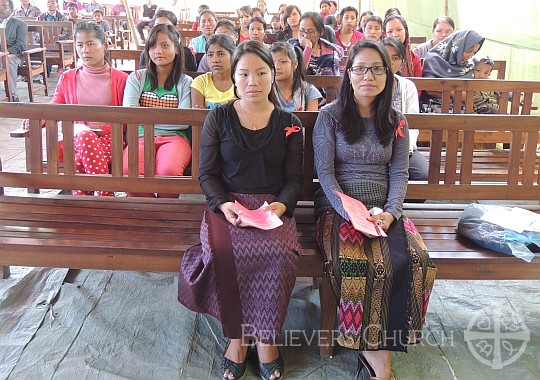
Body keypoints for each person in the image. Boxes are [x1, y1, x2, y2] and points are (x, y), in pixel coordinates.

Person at [178, 40, 303, 380]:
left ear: (272, 76)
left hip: (271, 206)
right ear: (234, 77)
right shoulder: (218, 117)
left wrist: (280, 205)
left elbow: (294, 179)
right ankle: (237, 338)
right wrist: (224, 204)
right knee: (223, 251)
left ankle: (266, 340)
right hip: (229, 204)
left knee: (279, 253)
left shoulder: (290, 123)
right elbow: (207, 174)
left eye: (261, 73)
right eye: (244, 74)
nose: (253, 81)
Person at [313, 39, 436, 380]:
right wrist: (349, 210)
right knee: (360, 263)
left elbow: (399, 172)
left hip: (383, 207)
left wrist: (393, 212)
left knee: (415, 260)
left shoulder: (396, 121)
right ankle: (376, 359)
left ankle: (378, 352)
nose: (369, 75)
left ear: (388, 73)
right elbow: (325, 174)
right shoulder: (330, 117)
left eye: (377, 68)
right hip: (337, 206)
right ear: (348, 73)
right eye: (361, 68)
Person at [51, 22, 128, 195]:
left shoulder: (121, 79)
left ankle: (84, 211)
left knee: (78, 162)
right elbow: (54, 109)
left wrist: (101, 130)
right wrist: (39, 118)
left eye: (91, 44)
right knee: (84, 137)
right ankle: (105, 198)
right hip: (77, 140)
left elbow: (127, 117)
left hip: (110, 139)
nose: (85, 50)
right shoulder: (67, 78)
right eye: (80, 45)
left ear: (105, 45)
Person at [122, 24, 193, 197]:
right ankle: (149, 214)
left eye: (165, 45)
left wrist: (145, 116)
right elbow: (130, 114)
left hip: (175, 139)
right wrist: (171, 118)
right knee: (128, 173)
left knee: (168, 173)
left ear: (176, 49)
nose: (158, 51)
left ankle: (164, 215)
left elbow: (183, 122)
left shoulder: (185, 82)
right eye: (152, 46)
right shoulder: (137, 78)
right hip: (140, 136)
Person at [382, 37, 428, 181]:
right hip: (373, 146)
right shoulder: (368, 83)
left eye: (395, 58)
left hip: (402, 144)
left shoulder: (407, 86)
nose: (390, 62)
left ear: (402, 62)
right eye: (385, 57)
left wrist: (405, 149)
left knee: (423, 176)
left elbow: (413, 124)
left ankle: (400, 202)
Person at [422, 29, 484, 108]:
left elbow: (469, 96)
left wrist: (444, 89)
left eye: (474, 52)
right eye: (469, 51)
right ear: (458, 45)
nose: (470, 56)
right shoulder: (433, 59)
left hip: (463, 110)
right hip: (436, 108)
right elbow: (430, 89)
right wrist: (457, 92)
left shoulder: (468, 65)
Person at [270, 41, 321, 111]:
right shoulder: (266, 91)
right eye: (272, 62)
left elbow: (310, 120)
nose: (277, 67)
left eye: (283, 62)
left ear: (295, 64)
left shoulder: (309, 91)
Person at [290, 11, 343, 75]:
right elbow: (298, 74)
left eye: (311, 31)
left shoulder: (333, 51)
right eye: (302, 31)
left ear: (321, 32)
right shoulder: (292, 47)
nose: (305, 36)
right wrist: (308, 47)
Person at [190, 34, 236, 108]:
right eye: (210, 55)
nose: (215, 60)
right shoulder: (200, 82)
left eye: (221, 54)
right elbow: (197, 116)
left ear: (233, 55)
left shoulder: (241, 81)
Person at [0, 0, 27, 102]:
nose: (0, 9)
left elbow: (20, 45)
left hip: (15, 55)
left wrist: (4, 53)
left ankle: (12, 95)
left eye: (3, 7)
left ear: (11, 9)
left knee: (8, 61)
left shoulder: (20, 24)